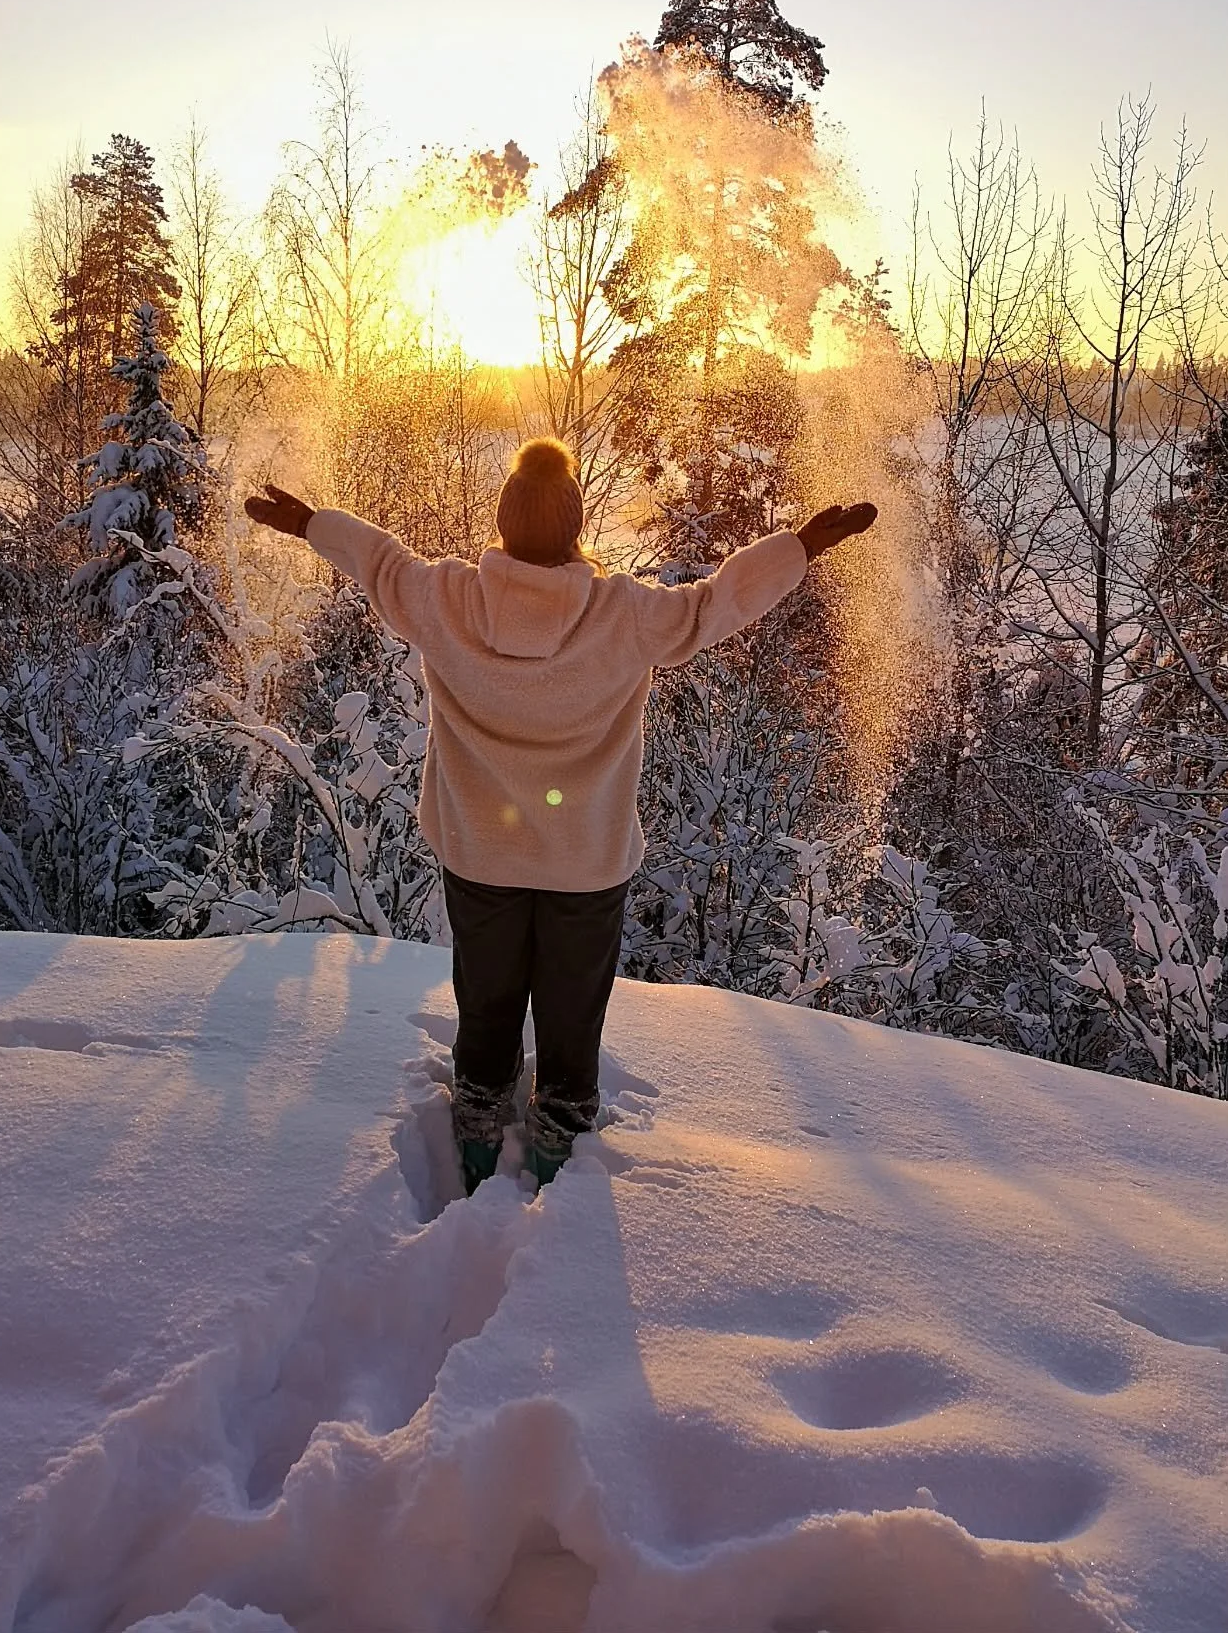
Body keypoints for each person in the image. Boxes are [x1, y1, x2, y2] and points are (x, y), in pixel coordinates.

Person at [245, 438, 875, 1195]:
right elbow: (716, 603)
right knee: (572, 1018)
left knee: (486, 1003)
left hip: (481, 856)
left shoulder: (445, 599)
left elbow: (378, 560)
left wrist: (312, 523)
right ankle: (557, 1164)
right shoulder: (625, 613)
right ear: (576, 529)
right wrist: (800, 546)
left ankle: (477, 1136)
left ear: (503, 527)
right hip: (585, 864)